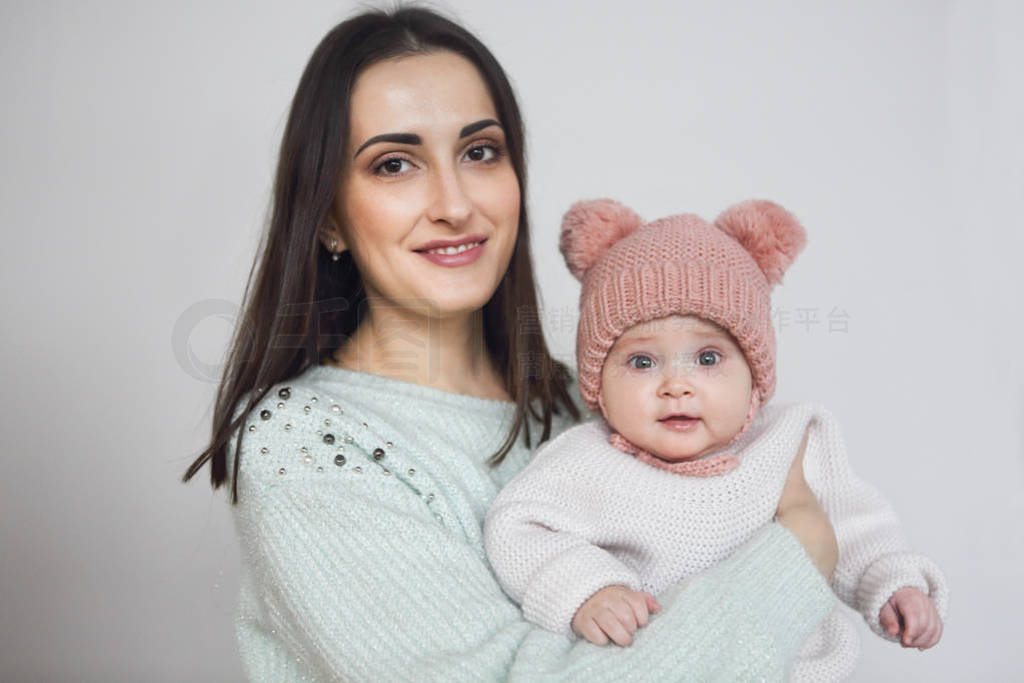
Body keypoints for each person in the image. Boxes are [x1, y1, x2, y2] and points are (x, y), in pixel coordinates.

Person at [183, 7, 841, 681]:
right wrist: (801, 550)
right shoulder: (306, 444)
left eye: (479, 152)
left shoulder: (588, 405)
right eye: (395, 164)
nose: (455, 202)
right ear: (329, 219)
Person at [484, 198, 949, 681]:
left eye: (708, 358)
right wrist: (587, 590)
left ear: (755, 371)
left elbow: (853, 525)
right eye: (642, 362)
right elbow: (519, 526)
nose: (677, 385)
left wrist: (893, 584)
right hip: (662, 662)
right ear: (599, 381)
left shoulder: (790, 440)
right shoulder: (585, 459)